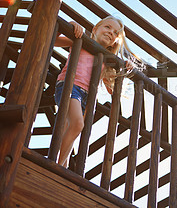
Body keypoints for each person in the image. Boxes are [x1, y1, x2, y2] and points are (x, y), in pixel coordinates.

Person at [54, 16, 144, 167]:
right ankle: (57, 166)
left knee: (68, 130)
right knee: (77, 124)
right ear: (95, 29)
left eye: (116, 33)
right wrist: (69, 25)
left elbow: (111, 89)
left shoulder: (107, 60)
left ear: (116, 40)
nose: (111, 32)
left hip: (86, 98)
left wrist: (124, 68)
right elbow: (54, 41)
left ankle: (62, 166)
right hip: (69, 86)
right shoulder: (81, 41)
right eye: (107, 27)